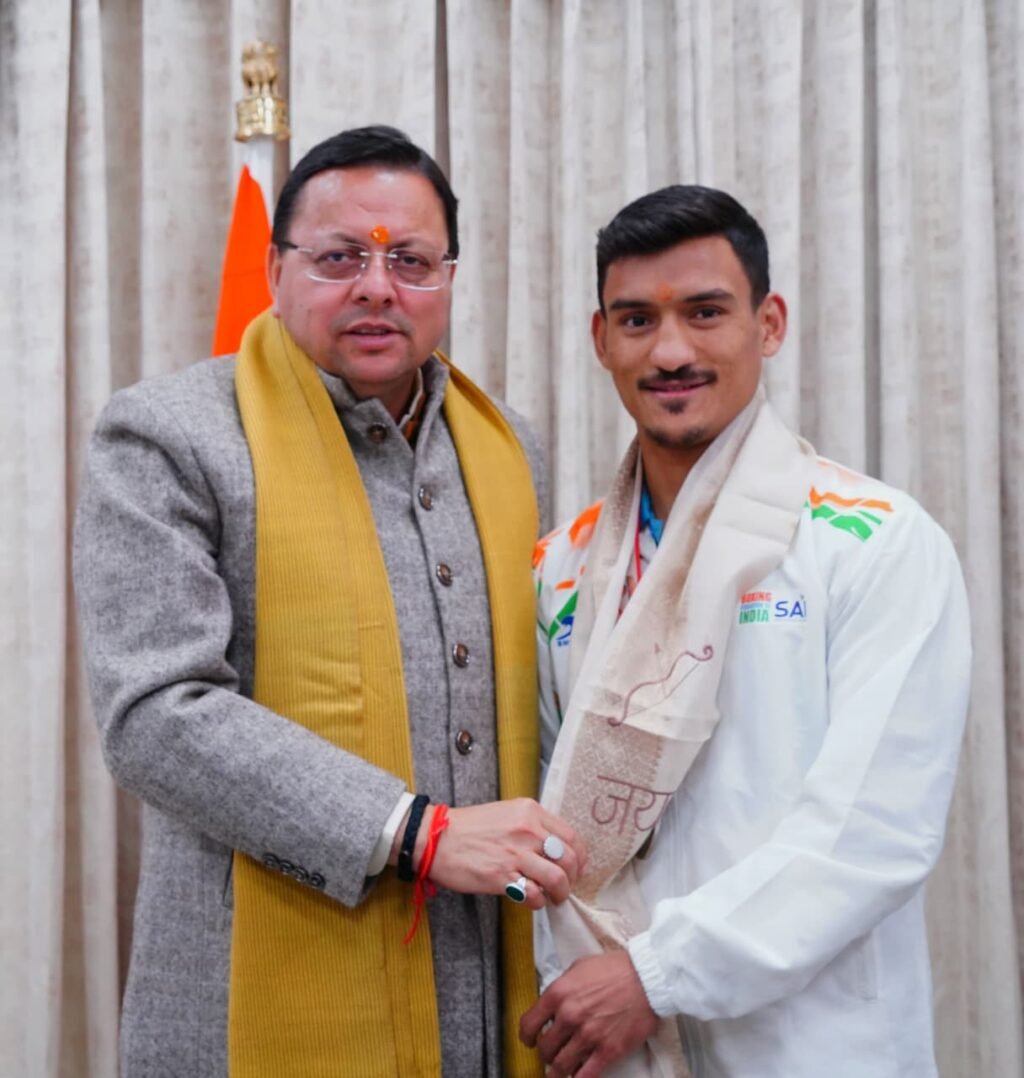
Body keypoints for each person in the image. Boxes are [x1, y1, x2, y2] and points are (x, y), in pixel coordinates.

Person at [73, 125, 583, 1078]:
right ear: (276, 269)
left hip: (485, 980)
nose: (378, 288)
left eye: (412, 261)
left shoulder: (511, 449)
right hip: (249, 987)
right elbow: (154, 713)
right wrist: (416, 832)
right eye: (341, 257)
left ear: (450, 278)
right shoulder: (171, 436)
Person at [521, 185, 970, 1078]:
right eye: (638, 320)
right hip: (615, 1036)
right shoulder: (561, 569)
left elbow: (872, 831)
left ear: (769, 324)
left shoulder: (873, 539)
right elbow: (552, 823)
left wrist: (657, 974)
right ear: (601, 340)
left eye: (705, 312)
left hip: (811, 1044)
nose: (671, 351)